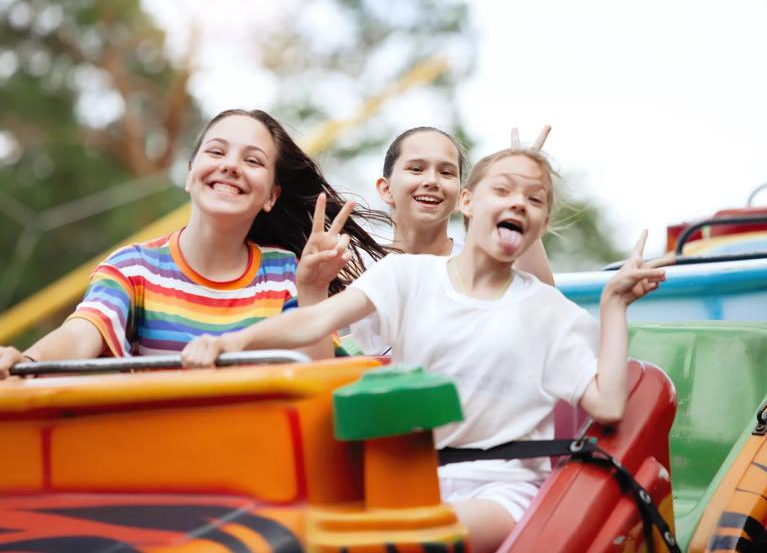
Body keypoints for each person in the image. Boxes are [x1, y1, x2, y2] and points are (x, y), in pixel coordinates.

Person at [178, 145, 667, 552]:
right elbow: (318, 319)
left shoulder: (551, 313)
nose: (519, 203)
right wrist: (232, 340)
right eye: (503, 190)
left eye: (534, 200)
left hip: (500, 491)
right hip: (409, 477)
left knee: (409, 536)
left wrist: (614, 306)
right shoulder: (406, 276)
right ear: (469, 202)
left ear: (539, 223)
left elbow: (608, 403)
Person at [0, 108, 387, 378]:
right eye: (216, 151)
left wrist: (313, 289)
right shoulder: (134, 268)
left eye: (252, 161)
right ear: (190, 175)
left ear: (271, 195)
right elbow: (82, 333)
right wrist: (26, 360)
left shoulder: (285, 273)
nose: (230, 165)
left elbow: (316, 376)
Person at [350, 125, 555, 355]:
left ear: (462, 197)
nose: (431, 181)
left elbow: (545, 320)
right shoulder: (355, 265)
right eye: (416, 169)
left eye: (446, 173)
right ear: (386, 189)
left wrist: (519, 196)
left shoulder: (479, 264)